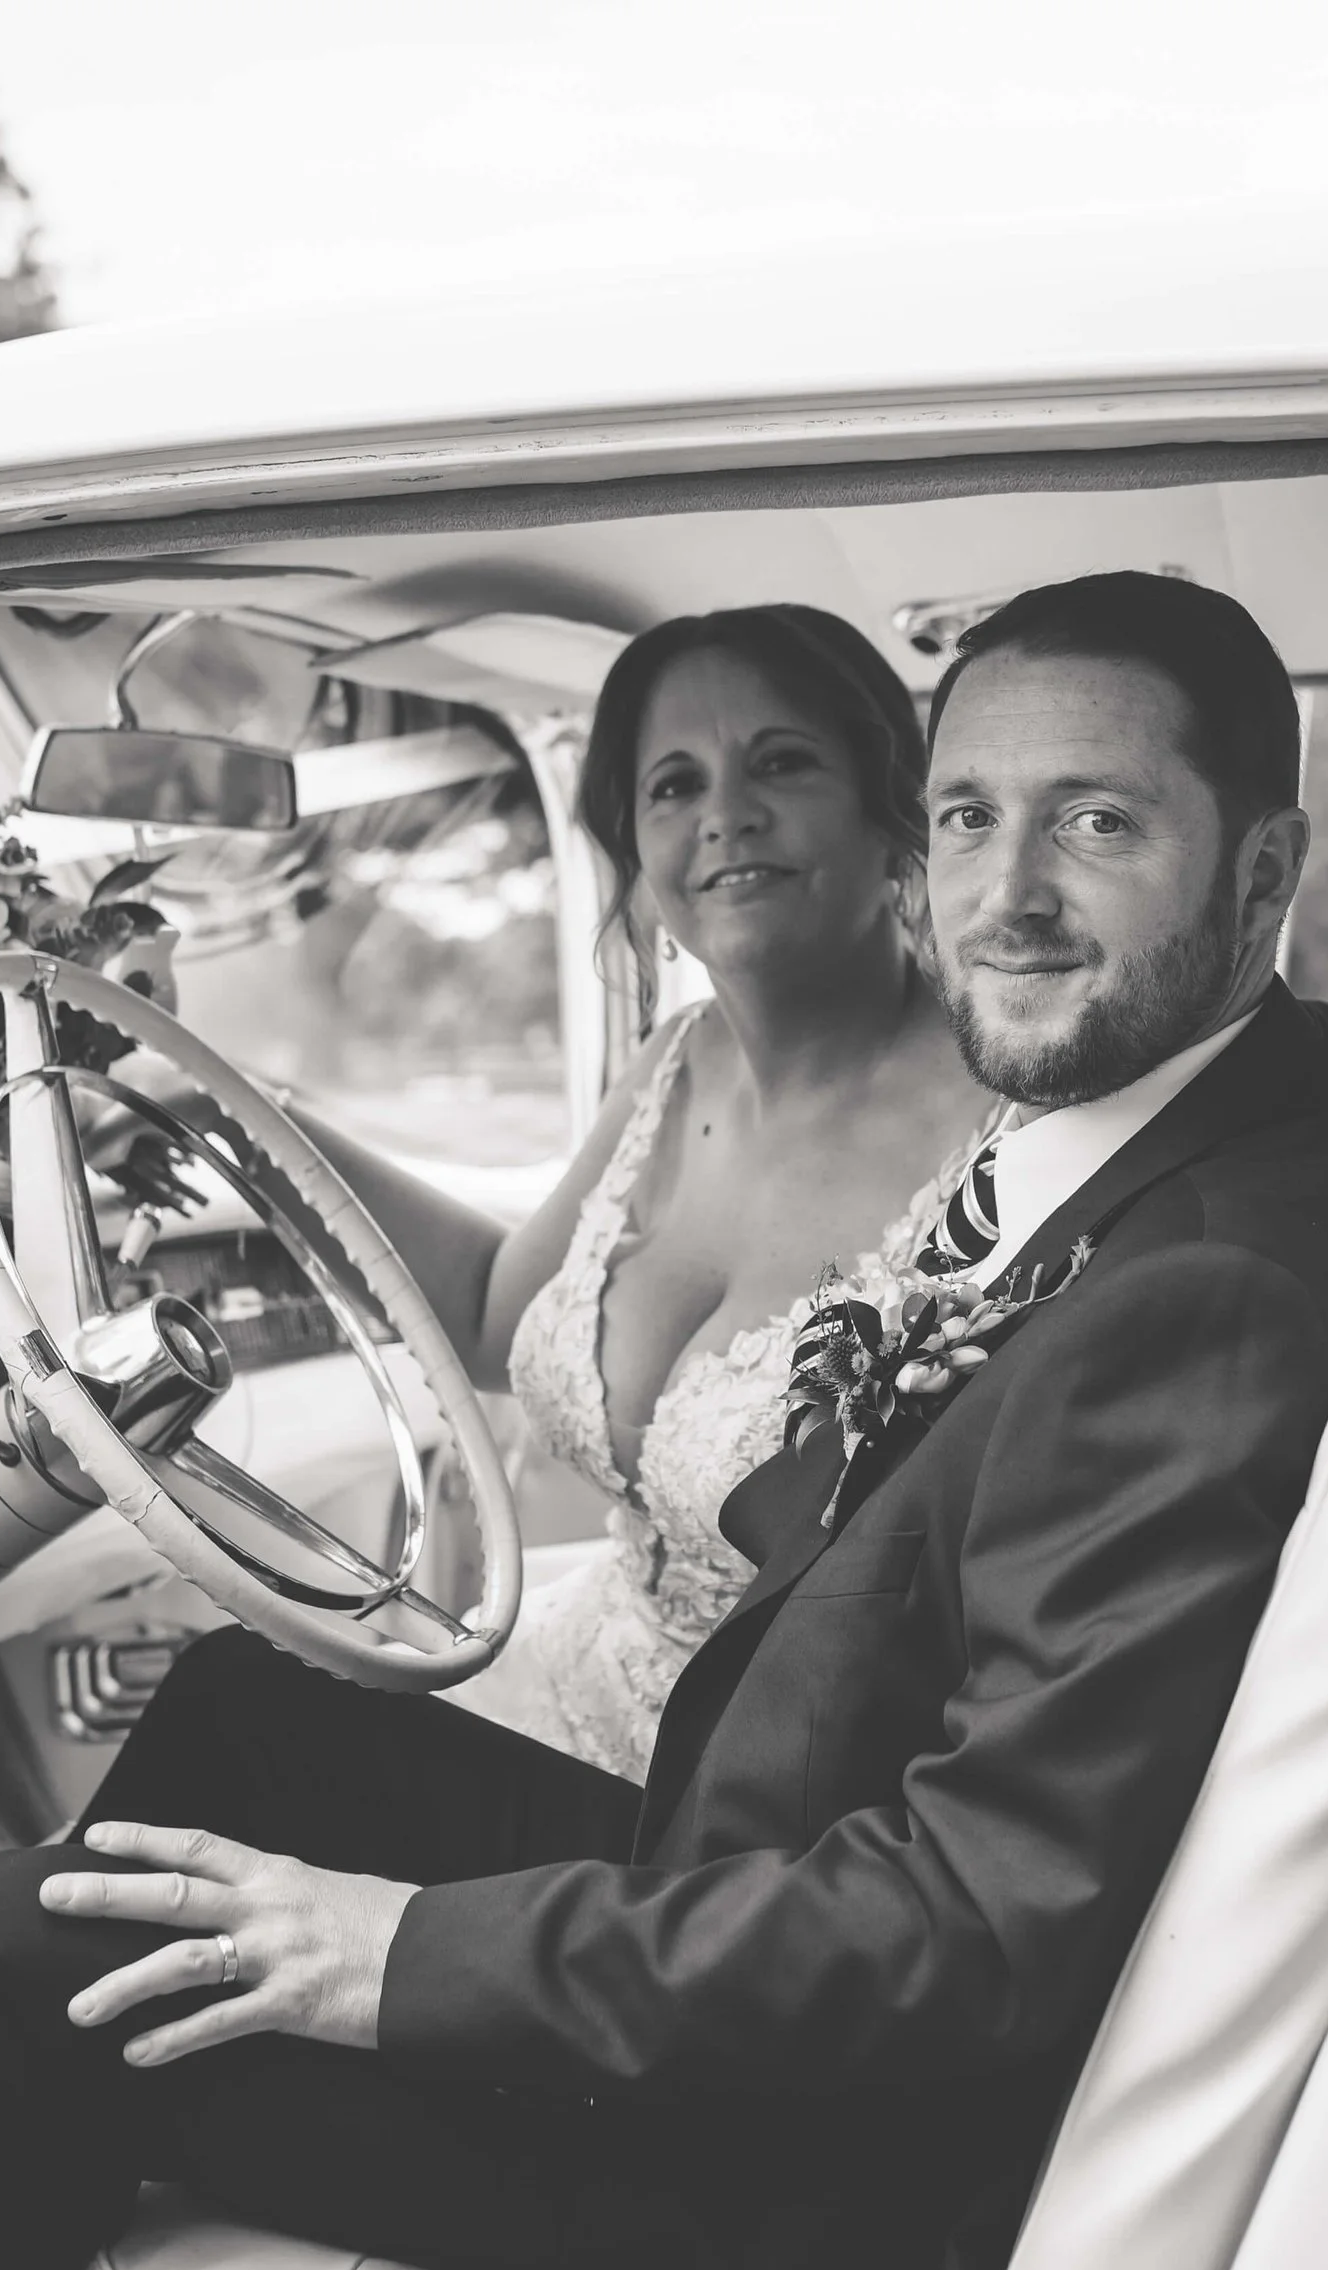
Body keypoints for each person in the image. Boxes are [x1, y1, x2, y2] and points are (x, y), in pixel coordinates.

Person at [0, 567, 1328, 2270]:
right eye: (976, 817)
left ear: (1259, 869)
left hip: (808, 2165)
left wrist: (397, 1958)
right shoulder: (1252, 1114)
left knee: (21, 1960)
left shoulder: (1200, 1291)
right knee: (251, 1735)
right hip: (761, 1853)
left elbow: (966, 1930)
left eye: (1098, 823)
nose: (1005, 891)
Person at [267, 603, 992, 1775]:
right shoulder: (676, 1061)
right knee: (240, 1707)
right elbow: (495, 1321)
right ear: (638, 856)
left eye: (783, 763)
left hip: (746, 1812)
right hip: (560, 1692)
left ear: (887, 811)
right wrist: (246, 1117)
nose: (725, 816)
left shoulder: (1002, 1123)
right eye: (672, 785)